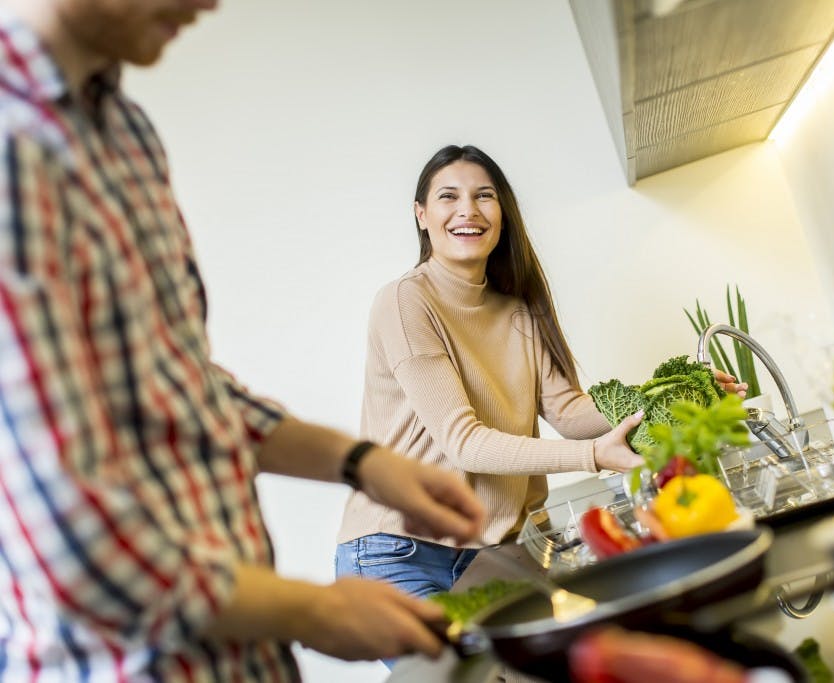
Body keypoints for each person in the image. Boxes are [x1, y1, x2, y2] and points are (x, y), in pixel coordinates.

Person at [0, 1, 485, 679]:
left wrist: (361, 460)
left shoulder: (125, 131)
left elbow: (180, 385)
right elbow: (73, 538)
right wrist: (315, 611)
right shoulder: (11, 154)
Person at [335, 144, 746, 599]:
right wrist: (594, 456)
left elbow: (568, 413)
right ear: (421, 215)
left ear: (503, 213)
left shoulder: (518, 311)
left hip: (496, 551)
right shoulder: (404, 301)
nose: (467, 210)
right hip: (401, 554)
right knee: (465, 674)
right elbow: (464, 444)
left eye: (484, 196)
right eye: (448, 197)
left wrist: (672, 394)